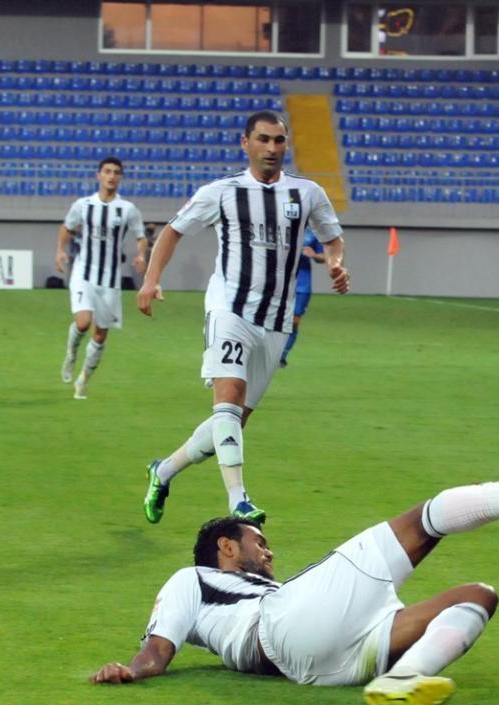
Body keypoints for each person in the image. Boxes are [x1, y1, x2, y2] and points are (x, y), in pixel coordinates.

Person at [90, 441, 499, 705]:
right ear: (225, 546)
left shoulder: (262, 588)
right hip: (278, 628)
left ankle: (402, 679)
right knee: (422, 522)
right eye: (258, 542)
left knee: (478, 595)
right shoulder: (192, 579)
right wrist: (132, 669)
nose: (269, 551)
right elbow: (158, 650)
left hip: (323, 665)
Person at [138, 111, 349, 525]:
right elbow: (173, 230)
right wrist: (151, 279)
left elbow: (332, 238)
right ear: (245, 143)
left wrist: (336, 263)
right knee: (228, 400)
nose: (271, 148)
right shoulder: (221, 192)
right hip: (229, 308)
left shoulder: (307, 193)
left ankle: (163, 472)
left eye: (279, 140)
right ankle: (239, 501)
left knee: (232, 422)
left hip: (275, 320)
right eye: (263, 139)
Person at [55, 157, 148, 400]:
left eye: (116, 172)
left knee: (100, 334)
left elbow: (141, 236)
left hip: (110, 278)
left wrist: (141, 255)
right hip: (84, 272)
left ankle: (83, 379)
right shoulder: (83, 205)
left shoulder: (127, 209)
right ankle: (71, 354)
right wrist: (60, 250)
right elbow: (67, 227)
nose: (111, 176)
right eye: (107, 171)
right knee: (83, 322)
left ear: (120, 177)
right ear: (98, 175)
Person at [280, 228, 327, 368]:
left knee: (294, 322)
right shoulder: (283, 226)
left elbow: (324, 257)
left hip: (302, 283)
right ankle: (271, 353)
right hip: (281, 280)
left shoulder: (312, 232)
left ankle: (282, 356)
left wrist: (314, 255)